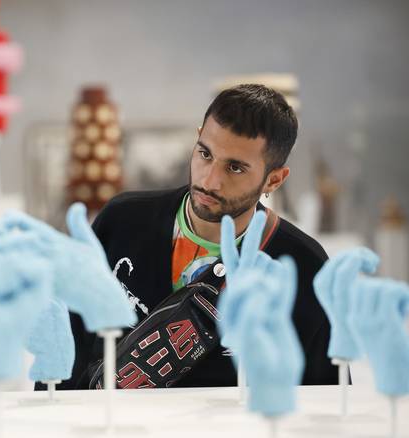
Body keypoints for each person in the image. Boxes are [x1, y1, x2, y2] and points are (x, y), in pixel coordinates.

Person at [59, 83, 338, 389]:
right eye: (205, 154)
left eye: (235, 167)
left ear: (274, 179)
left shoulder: (304, 266)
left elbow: (325, 400)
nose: (210, 180)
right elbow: (67, 350)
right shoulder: (123, 220)